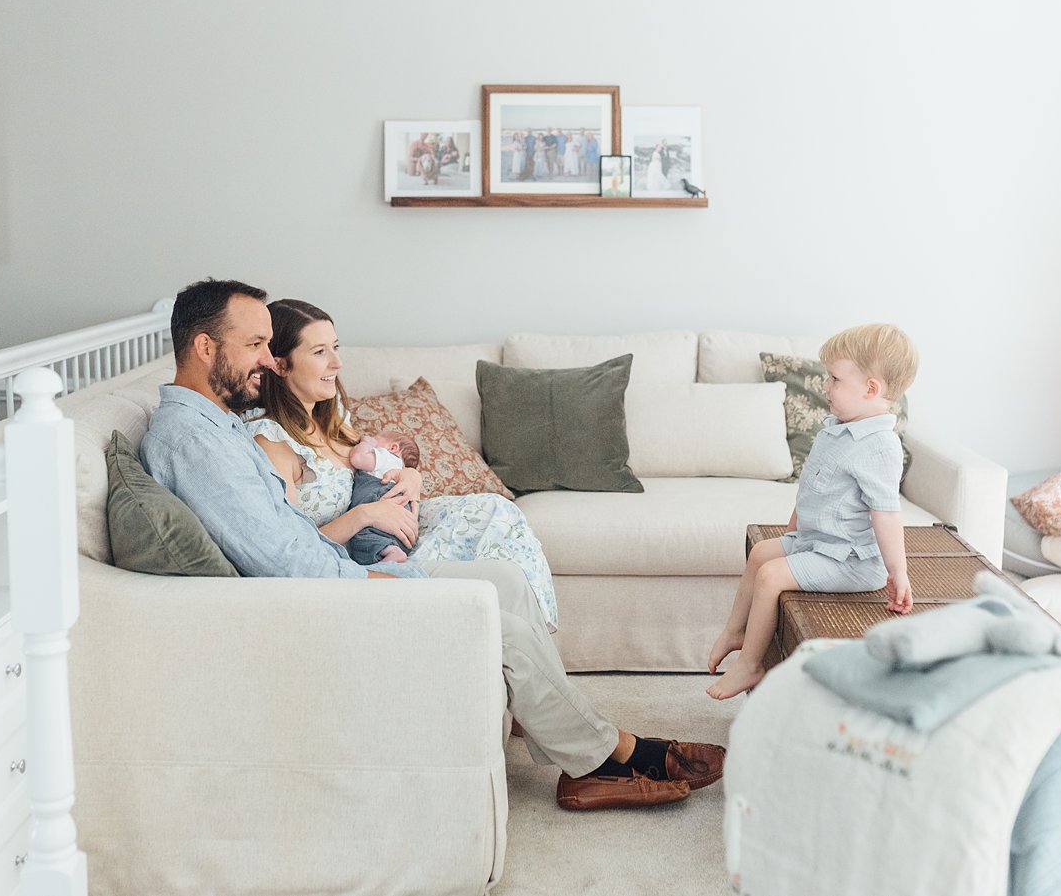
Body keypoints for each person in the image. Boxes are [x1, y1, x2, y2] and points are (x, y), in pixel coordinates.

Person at [140, 279, 725, 810]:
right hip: (320, 600)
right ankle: (610, 755)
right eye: (256, 345)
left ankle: (570, 755)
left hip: (331, 575)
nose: (269, 361)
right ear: (205, 348)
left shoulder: (217, 422)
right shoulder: (193, 441)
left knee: (506, 580)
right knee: (505, 628)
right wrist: (388, 580)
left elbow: (289, 537)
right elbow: (283, 562)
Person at [250, 297, 558, 628]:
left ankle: (526, 646)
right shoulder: (273, 443)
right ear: (280, 365)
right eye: (320, 352)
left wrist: (411, 475)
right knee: (502, 578)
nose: (337, 363)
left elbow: (379, 464)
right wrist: (365, 515)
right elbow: (291, 549)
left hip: (396, 533)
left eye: (336, 348)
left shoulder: (334, 419)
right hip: (365, 557)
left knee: (498, 514)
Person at [706, 323, 919, 700]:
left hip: (851, 561)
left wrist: (897, 573)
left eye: (835, 379)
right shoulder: (836, 429)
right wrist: (792, 536)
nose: (825, 386)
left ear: (871, 389)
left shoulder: (879, 446)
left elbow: (885, 513)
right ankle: (736, 632)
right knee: (761, 554)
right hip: (819, 543)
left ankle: (750, 665)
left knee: (772, 576)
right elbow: (812, 490)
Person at [345, 429, 421, 565]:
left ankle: (390, 552)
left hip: (381, 498)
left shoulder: (385, 457)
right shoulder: (398, 469)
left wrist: (366, 442)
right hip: (404, 521)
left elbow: (358, 458)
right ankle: (391, 550)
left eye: (376, 439)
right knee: (380, 537)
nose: (372, 442)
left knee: (361, 537)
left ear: (393, 447)